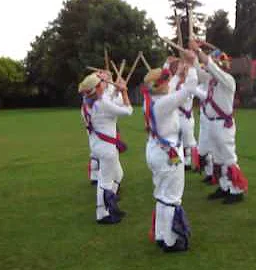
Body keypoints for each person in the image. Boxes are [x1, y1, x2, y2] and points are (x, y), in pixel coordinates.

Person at [142, 52, 203, 253]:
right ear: (163, 85)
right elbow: (188, 89)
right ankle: (170, 240)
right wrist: (192, 64)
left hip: (156, 150)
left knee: (161, 194)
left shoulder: (151, 99)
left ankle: (161, 235)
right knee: (171, 196)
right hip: (167, 154)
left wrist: (177, 72)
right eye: (167, 80)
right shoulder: (163, 103)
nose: (171, 82)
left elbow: (173, 88)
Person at [189, 40, 249, 204]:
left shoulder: (228, 80)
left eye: (216, 63)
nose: (212, 66)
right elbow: (200, 73)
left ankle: (237, 191)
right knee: (218, 158)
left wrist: (198, 50)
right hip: (212, 124)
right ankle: (224, 186)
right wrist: (193, 56)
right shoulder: (211, 80)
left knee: (228, 157)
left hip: (223, 125)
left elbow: (210, 67)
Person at [79, 72, 133, 225]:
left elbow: (111, 102)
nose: (104, 83)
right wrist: (124, 91)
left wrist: (116, 91)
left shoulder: (86, 102)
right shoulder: (102, 103)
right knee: (105, 181)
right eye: (101, 82)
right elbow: (128, 110)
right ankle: (102, 214)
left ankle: (111, 206)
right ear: (97, 88)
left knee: (118, 175)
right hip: (107, 148)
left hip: (97, 145)